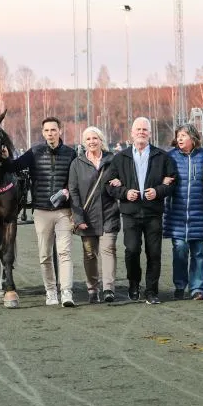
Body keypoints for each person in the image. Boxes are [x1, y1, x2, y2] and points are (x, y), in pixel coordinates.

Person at [7, 117, 78, 306]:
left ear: (60, 131)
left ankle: (67, 292)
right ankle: (51, 292)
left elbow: (76, 181)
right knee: (45, 255)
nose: (50, 134)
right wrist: (4, 156)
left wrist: (68, 193)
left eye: (53, 130)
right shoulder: (34, 152)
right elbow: (13, 167)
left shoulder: (71, 154)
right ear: (43, 132)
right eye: (47, 131)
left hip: (63, 212)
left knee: (64, 253)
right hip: (41, 211)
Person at [106, 117, 177, 304]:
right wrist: (124, 192)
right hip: (130, 213)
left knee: (154, 253)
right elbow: (108, 184)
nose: (141, 132)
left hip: (154, 213)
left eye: (145, 129)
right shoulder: (120, 158)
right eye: (138, 129)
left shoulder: (162, 157)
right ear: (131, 133)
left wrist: (158, 190)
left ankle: (152, 291)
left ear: (150, 133)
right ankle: (134, 284)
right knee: (132, 251)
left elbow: (173, 181)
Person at [68, 127, 120, 304]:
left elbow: (124, 180)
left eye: (95, 138)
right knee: (90, 254)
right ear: (84, 142)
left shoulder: (112, 160)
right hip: (87, 216)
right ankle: (92, 288)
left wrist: (120, 182)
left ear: (101, 140)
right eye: (88, 139)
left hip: (109, 213)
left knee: (108, 250)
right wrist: (78, 218)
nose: (92, 142)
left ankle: (108, 289)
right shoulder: (77, 164)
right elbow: (73, 192)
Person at [163, 124, 203, 301]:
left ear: (193, 137)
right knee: (180, 250)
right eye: (178, 136)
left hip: (200, 213)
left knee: (198, 253)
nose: (180, 139)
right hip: (176, 214)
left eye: (184, 135)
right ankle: (180, 285)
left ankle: (198, 288)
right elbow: (162, 180)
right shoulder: (169, 157)